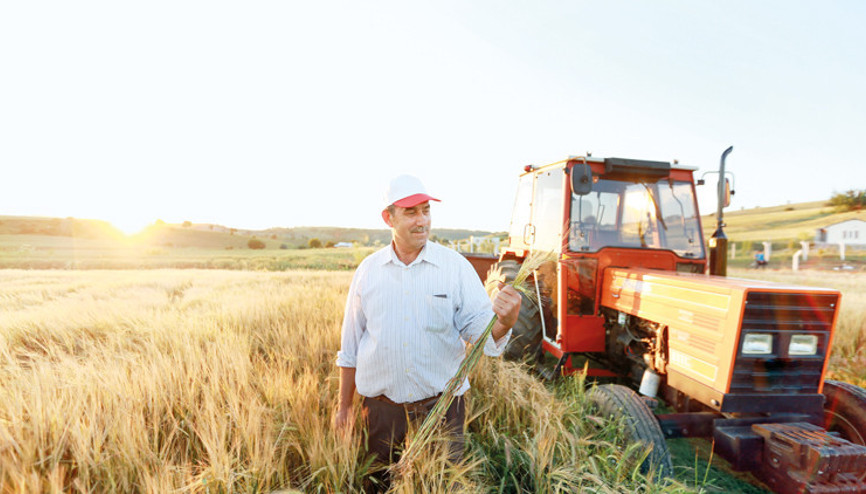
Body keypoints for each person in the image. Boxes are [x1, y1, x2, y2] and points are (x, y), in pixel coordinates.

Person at [333, 174, 522, 471]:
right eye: (411, 212)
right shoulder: (368, 271)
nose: (422, 221)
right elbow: (350, 346)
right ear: (388, 218)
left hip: (443, 409)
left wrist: (506, 322)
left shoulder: (455, 267)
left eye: (426, 210)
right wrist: (344, 407)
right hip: (381, 412)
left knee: (442, 483)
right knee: (380, 484)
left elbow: (483, 333)